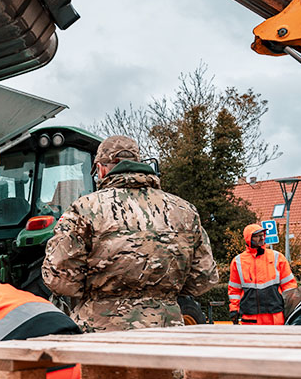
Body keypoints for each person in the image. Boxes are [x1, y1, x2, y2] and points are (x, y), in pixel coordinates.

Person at [42, 135, 219, 332]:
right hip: (167, 334)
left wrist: (100, 294)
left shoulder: (84, 209)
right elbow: (204, 278)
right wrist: (161, 295)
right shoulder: (184, 211)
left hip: (101, 336)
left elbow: (58, 277)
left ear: (101, 169)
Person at [228, 223, 298, 325]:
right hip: (250, 316)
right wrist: (234, 309)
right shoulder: (238, 261)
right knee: (252, 341)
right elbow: (234, 290)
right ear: (248, 239)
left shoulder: (277, 257)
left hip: (275, 314)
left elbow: (289, 286)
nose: (261, 238)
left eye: (262, 235)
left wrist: (290, 308)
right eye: (257, 236)